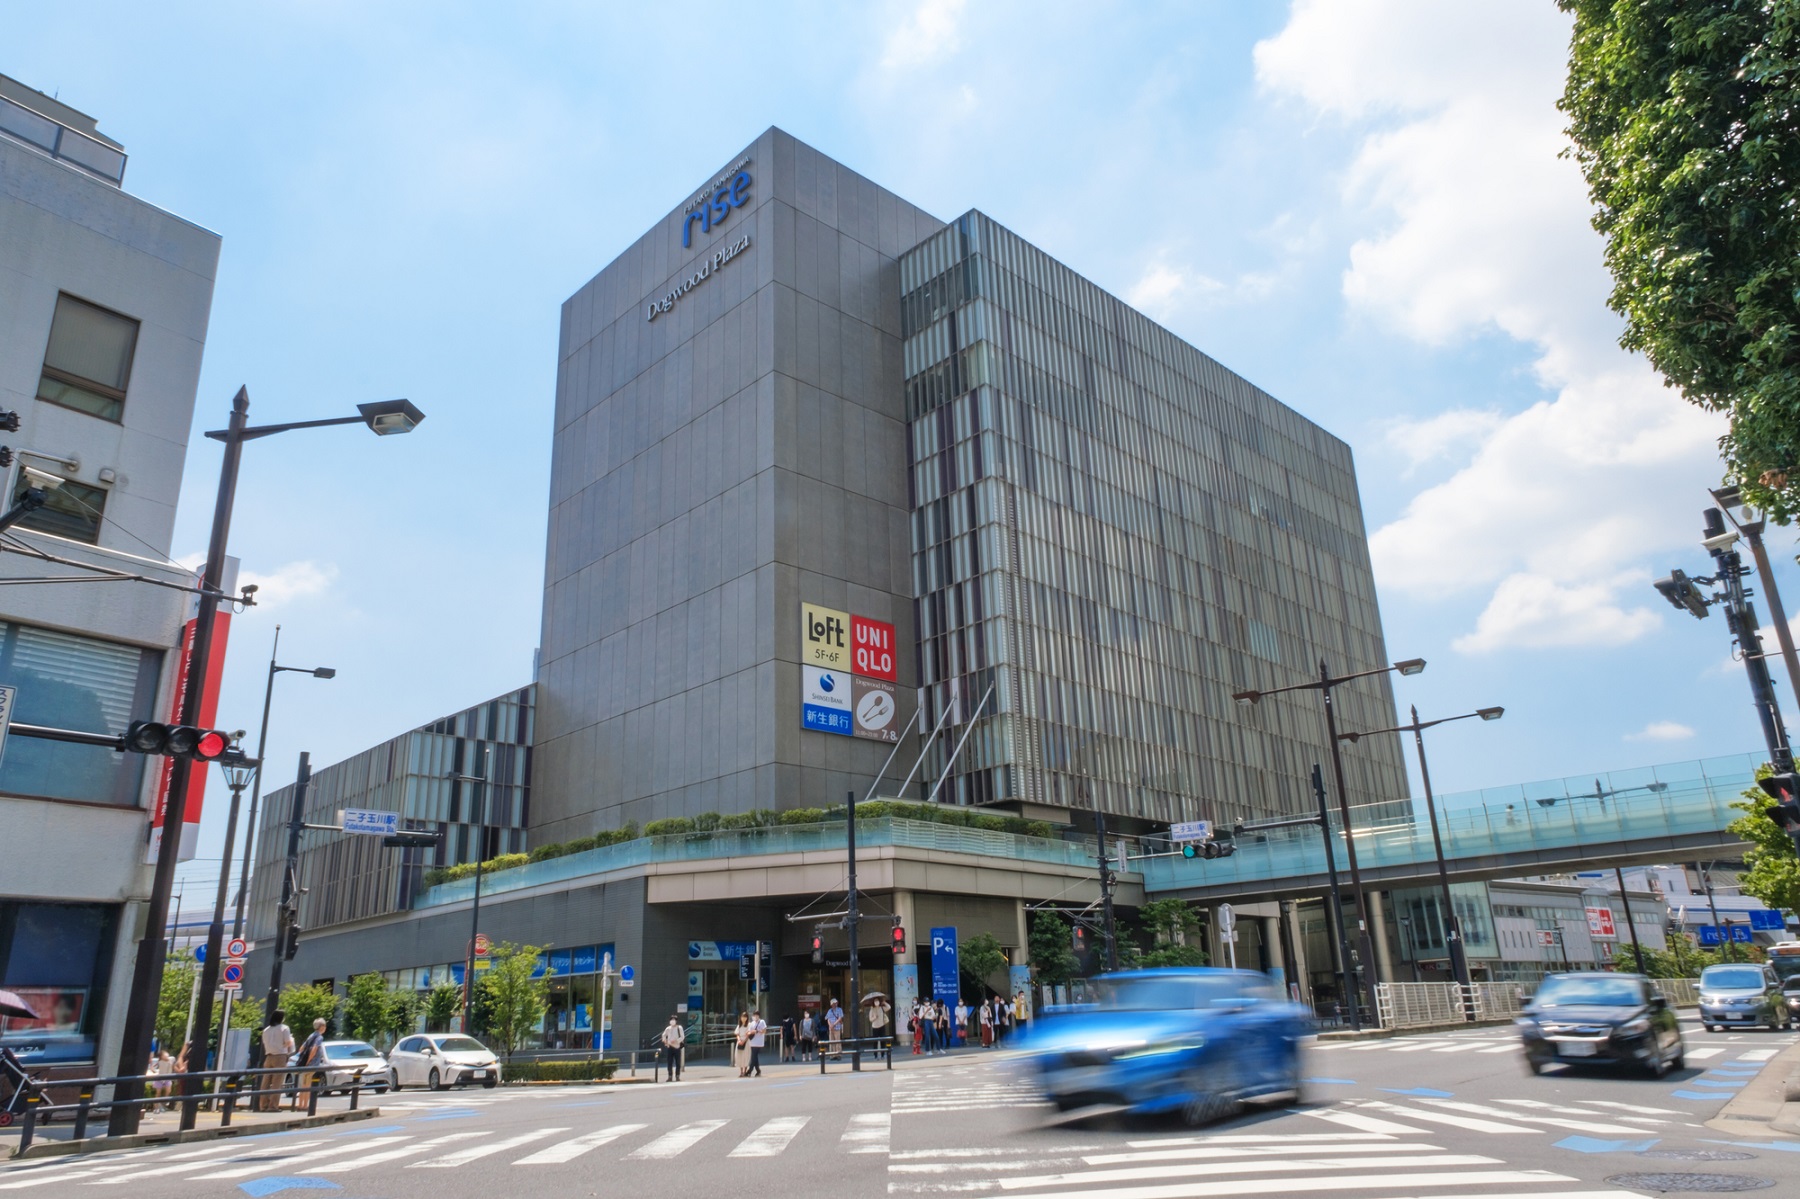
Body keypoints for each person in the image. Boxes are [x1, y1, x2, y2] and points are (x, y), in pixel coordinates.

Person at [258, 1010, 294, 1112]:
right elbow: (288, 1042)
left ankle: (263, 1105)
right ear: (281, 1018)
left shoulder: (266, 1030)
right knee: (277, 1083)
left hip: (268, 1056)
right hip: (280, 1056)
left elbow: (265, 1043)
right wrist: (286, 1044)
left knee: (265, 1082)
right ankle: (273, 1106)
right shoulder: (284, 1028)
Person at [293, 1018, 327, 1108]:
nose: (325, 1027)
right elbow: (314, 1049)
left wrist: (303, 1060)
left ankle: (300, 1105)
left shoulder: (311, 1035)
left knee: (303, 1085)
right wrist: (308, 1060)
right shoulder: (319, 1037)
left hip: (305, 1065)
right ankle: (305, 1106)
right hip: (312, 1064)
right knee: (307, 1086)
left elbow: (301, 1048)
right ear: (321, 1027)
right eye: (324, 1025)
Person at [659, 1015, 685, 1082]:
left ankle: (677, 1076)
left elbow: (682, 1037)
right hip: (670, 1047)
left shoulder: (679, 1028)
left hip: (677, 1047)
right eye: (671, 1019)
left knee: (678, 1062)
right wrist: (665, 1041)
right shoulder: (668, 1028)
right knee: (669, 1062)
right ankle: (670, 1076)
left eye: (674, 1019)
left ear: (676, 1021)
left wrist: (676, 1041)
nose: (672, 1021)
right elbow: (663, 1035)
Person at [747, 1009, 767, 1076]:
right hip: (752, 1042)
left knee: (754, 1056)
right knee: (754, 1057)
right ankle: (758, 1071)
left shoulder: (762, 1021)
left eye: (757, 1015)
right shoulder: (752, 1023)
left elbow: (764, 1031)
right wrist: (751, 1032)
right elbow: (749, 1032)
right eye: (754, 1015)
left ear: (759, 1015)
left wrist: (757, 1031)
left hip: (759, 1042)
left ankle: (750, 1070)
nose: (755, 1016)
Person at [733, 1012, 752, 1077]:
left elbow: (748, 1035)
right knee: (739, 1056)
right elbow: (737, 1034)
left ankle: (745, 1071)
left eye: (745, 1017)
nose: (743, 1018)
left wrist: (744, 1041)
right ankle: (741, 1072)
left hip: (746, 1042)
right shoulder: (739, 1025)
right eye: (742, 1017)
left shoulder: (749, 1025)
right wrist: (739, 1040)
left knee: (746, 1056)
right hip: (739, 1042)